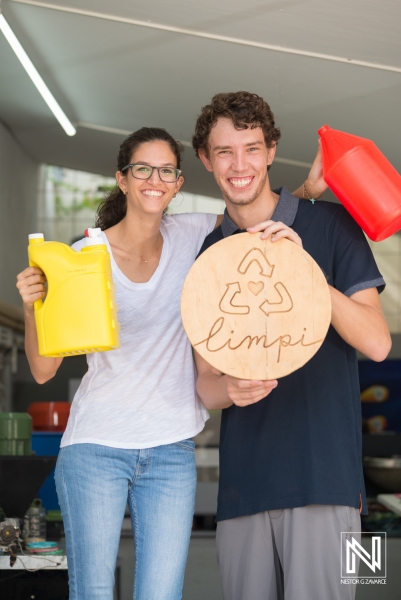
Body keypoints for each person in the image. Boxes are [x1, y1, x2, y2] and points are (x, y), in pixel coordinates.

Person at [16, 125, 323, 600]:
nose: (153, 179)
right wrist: (32, 306)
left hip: (171, 449)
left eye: (166, 170)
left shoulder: (197, 235)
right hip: (96, 447)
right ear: (123, 178)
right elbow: (42, 371)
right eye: (143, 169)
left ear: (179, 182)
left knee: (160, 594)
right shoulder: (82, 258)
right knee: (93, 591)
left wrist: (309, 190)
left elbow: (256, 215)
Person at [193, 91, 392, 600]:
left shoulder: (334, 224)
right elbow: (205, 385)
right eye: (225, 152)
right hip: (242, 492)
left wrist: (306, 273)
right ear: (205, 160)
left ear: (272, 150)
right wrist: (228, 388)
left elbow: (375, 343)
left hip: (333, 487)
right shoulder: (210, 252)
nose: (240, 165)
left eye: (252, 149)